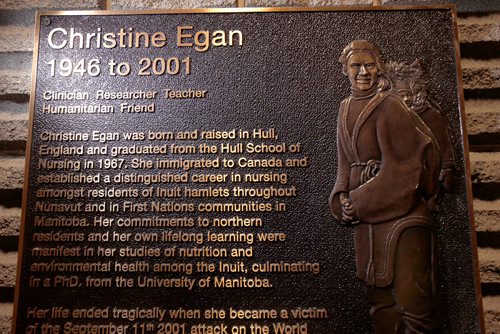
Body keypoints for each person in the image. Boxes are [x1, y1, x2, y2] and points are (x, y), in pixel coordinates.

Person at [329, 40, 442, 333]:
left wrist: (359, 199)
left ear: (379, 68)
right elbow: (345, 165)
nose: (363, 72)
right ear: (345, 70)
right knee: (380, 304)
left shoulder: (390, 105)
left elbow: (405, 167)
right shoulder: (344, 109)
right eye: (356, 65)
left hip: (402, 220)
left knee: (413, 305)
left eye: (370, 65)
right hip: (367, 223)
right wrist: (341, 198)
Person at [385, 59, 455, 201]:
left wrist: (446, 168)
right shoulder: (385, 117)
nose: (406, 99)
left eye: (408, 94)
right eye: (401, 95)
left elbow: (444, 144)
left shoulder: (430, 115)